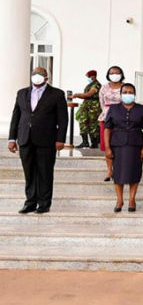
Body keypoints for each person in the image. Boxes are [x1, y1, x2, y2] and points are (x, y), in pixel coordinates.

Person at [8, 67, 67, 214]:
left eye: (40, 74)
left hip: (46, 139)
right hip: (25, 138)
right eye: (34, 74)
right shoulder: (22, 93)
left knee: (45, 172)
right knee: (29, 172)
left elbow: (63, 119)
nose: (37, 76)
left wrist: (60, 139)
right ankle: (30, 202)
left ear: (47, 77)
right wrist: (11, 138)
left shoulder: (57, 94)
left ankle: (44, 203)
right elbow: (16, 116)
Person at [103, 83, 143, 213]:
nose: (128, 94)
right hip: (118, 144)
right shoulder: (113, 109)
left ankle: (131, 199)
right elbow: (107, 128)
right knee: (118, 173)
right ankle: (119, 200)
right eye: (125, 92)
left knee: (134, 173)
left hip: (136, 145)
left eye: (130, 92)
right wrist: (107, 147)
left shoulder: (142, 108)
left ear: (134, 94)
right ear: (120, 94)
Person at [98, 65, 125, 181]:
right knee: (107, 144)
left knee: (120, 144)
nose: (114, 75)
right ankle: (109, 170)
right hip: (107, 117)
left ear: (121, 74)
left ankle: (120, 169)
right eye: (112, 73)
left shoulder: (125, 87)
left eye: (117, 72)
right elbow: (101, 102)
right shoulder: (104, 87)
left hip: (122, 117)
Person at [70, 70, 102, 148]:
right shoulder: (90, 84)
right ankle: (85, 142)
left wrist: (77, 95)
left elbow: (88, 94)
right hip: (86, 106)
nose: (89, 78)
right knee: (83, 122)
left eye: (89, 76)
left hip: (94, 107)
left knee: (93, 124)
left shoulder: (97, 85)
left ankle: (94, 143)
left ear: (93, 76)